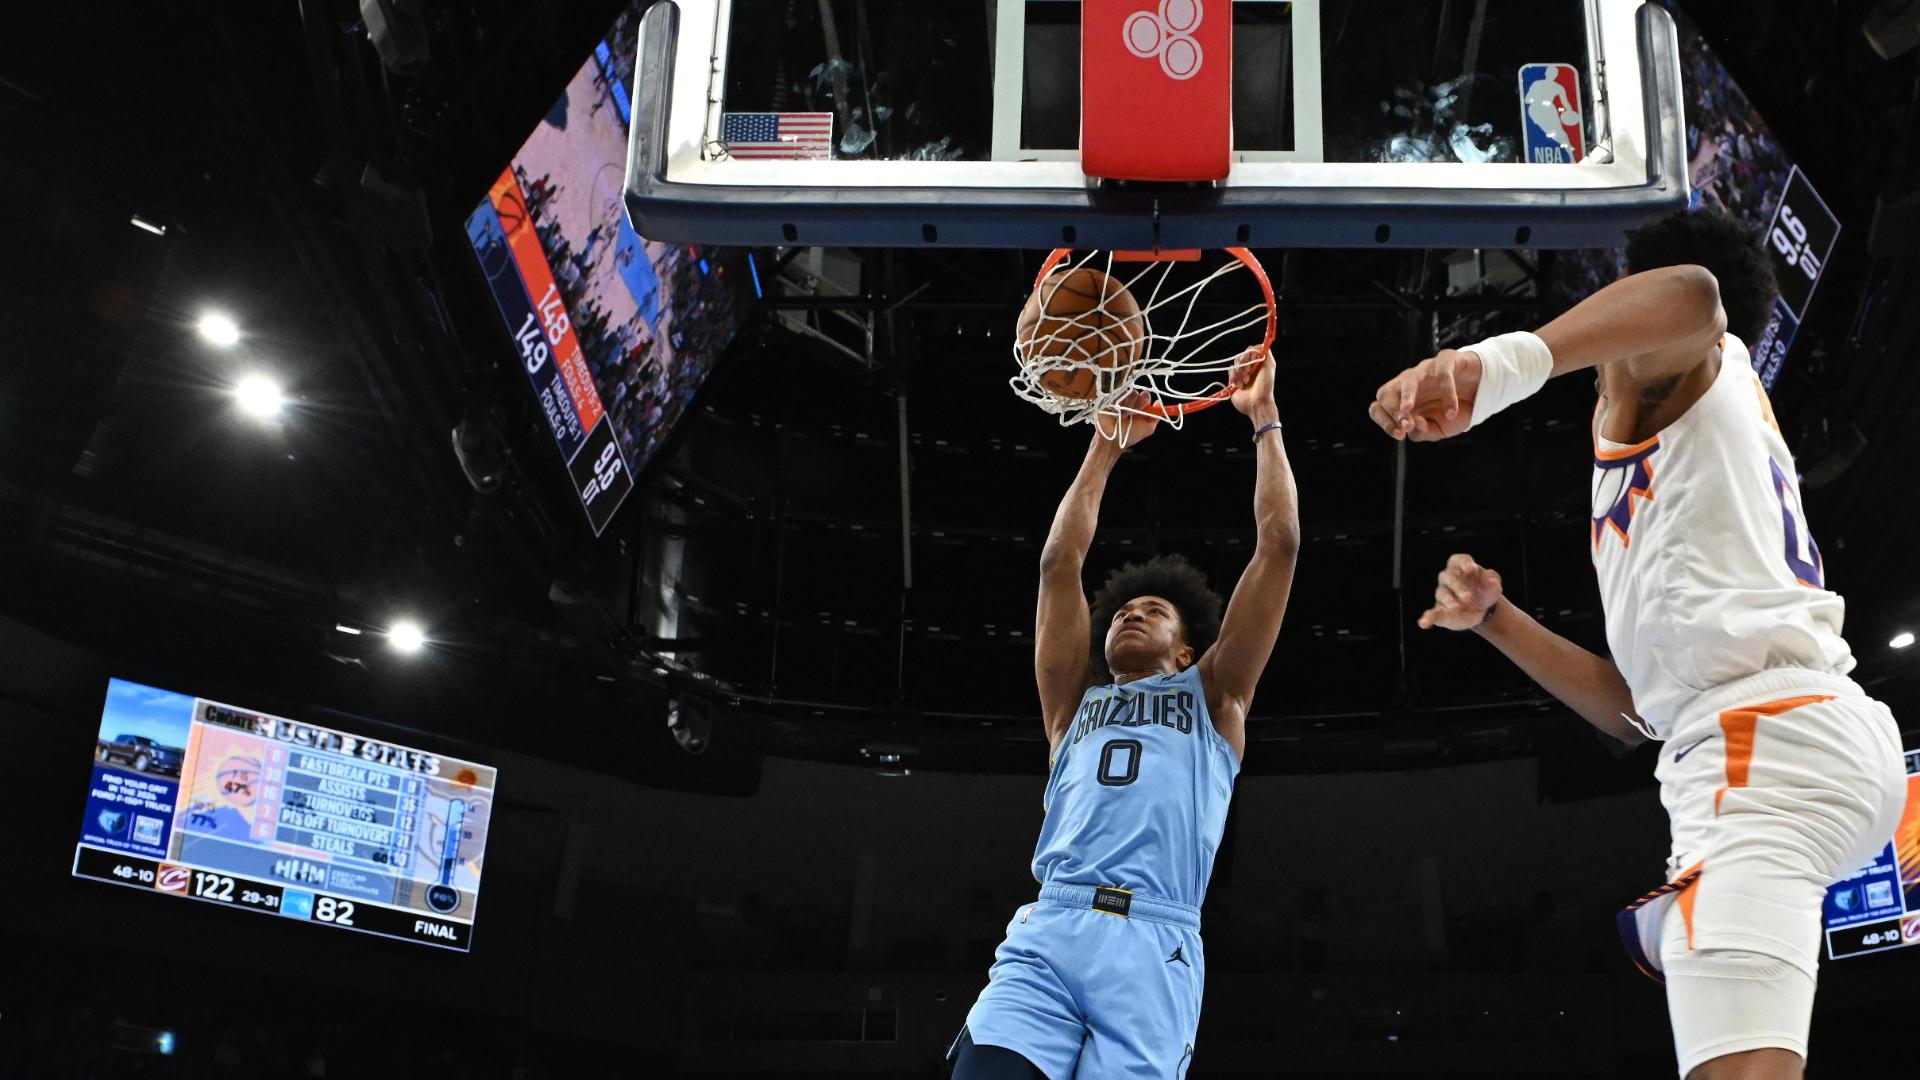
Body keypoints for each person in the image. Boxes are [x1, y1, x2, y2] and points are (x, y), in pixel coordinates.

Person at [1366, 209, 1905, 1080]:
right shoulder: (1692, 438)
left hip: (1764, 753)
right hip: (1781, 739)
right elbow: (1637, 714)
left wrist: (1496, 367)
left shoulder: (1683, 376)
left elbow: (1693, 296)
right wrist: (1498, 620)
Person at [951, 348, 1300, 1077]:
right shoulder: (1071, 706)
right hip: (1053, 926)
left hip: (1153, 941)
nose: (1130, 614)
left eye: (1153, 611)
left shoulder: (1215, 696)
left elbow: (1280, 545)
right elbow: (1058, 566)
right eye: (1122, 611)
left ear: (1186, 650)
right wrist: (1105, 445)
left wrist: (1264, 418)